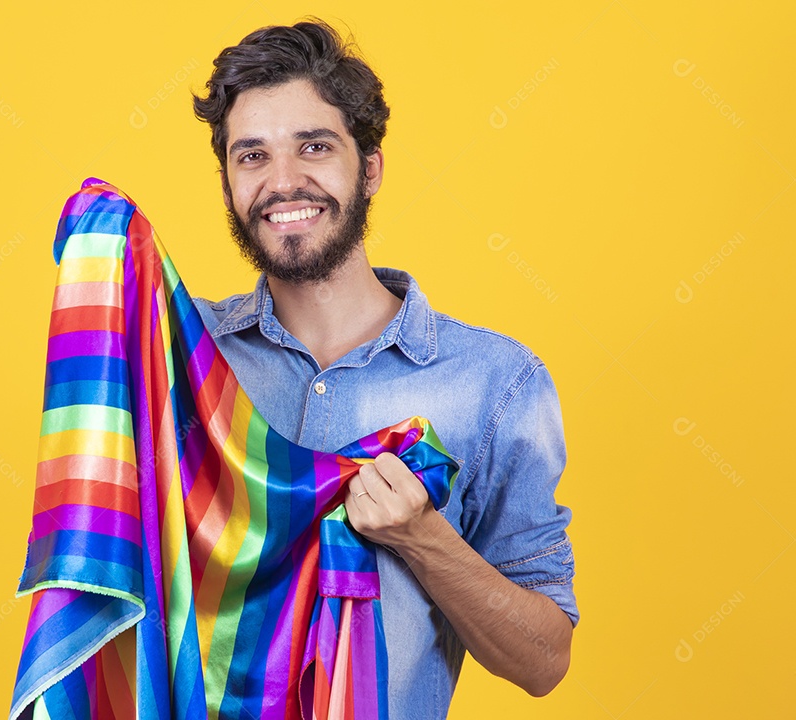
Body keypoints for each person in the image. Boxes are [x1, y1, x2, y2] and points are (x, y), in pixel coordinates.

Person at [188, 18, 578, 718]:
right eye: (252, 156)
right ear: (225, 186)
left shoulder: (497, 383)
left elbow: (542, 660)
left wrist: (424, 538)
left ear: (369, 168)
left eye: (314, 146)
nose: (284, 182)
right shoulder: (176, 359)